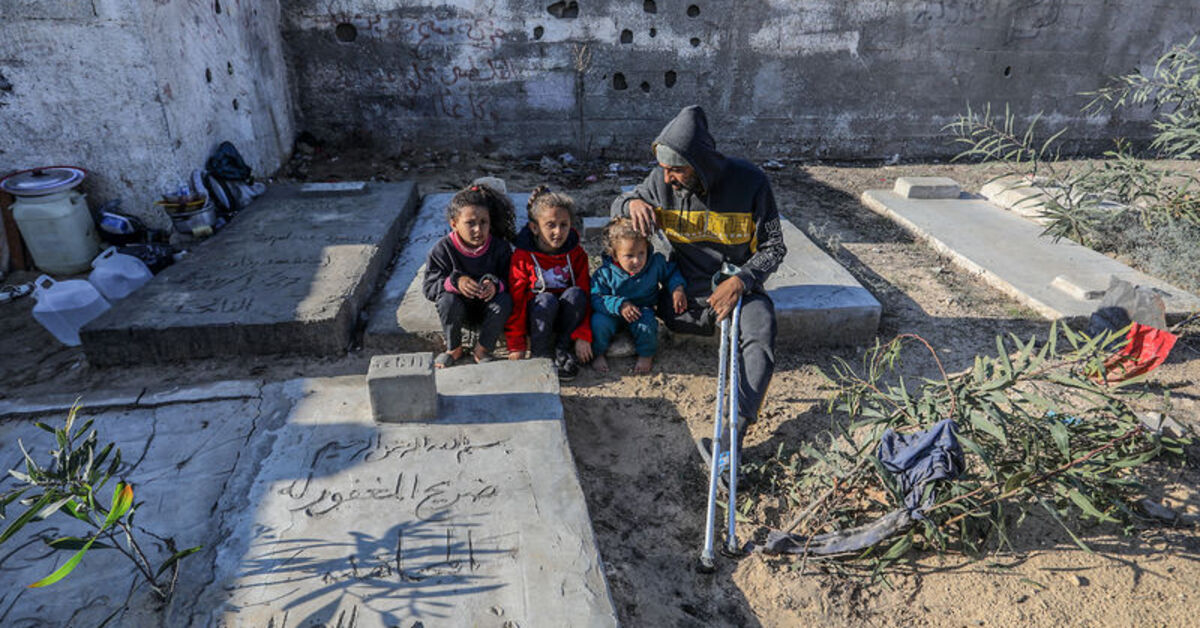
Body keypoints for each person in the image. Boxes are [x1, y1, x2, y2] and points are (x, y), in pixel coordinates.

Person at [611, 105, 787, 453]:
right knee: (660, 308)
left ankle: (733, 435)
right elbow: (618, 203)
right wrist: (631, 204)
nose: (667, 179)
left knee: (761, 330)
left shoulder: (751, 182)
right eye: (663, 169)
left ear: (701, 165)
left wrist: (742, 281)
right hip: (686, 291)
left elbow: (774, 247)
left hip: (737, 285)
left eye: (676, 170)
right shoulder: (660, 183)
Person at [422, 183, 516, 367]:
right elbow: (429, 287)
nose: (478, 230)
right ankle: (454, 348)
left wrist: (495, 285)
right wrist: (455, 282)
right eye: (470, 223)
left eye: (483, 222)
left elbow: (511, 279)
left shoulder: (500, 248)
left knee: (505, 301)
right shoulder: (442, 250)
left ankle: (482, 349)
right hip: (459, 311)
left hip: (489, 309)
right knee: (447, 301)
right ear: (454, 224)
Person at [506, 185, 594, 380]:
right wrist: (516, 342)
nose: (558, 232)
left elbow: (586, 294)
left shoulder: (577, 254)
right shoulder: (522, 257)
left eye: (564, 225)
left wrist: (583, 334)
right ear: (535, 228)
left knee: (576, 295)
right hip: (537, 316)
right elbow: (517, 299)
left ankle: (563, 348)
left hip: (565, 317)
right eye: (550, 225)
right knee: (546, 300)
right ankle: (541, 353)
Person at [590, 217, 687, 374]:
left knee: (647, 326)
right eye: (629, 256)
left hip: (642, 309)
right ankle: (598, 353)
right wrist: (619, 305)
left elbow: (671, 273)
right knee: (598, 323)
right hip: (612, 312)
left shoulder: (655, 263)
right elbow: (596, 297)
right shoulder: (605, 273)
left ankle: (646, 355)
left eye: (641, 253)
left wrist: (677, 288)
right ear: (615, 255)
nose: (637, 260)